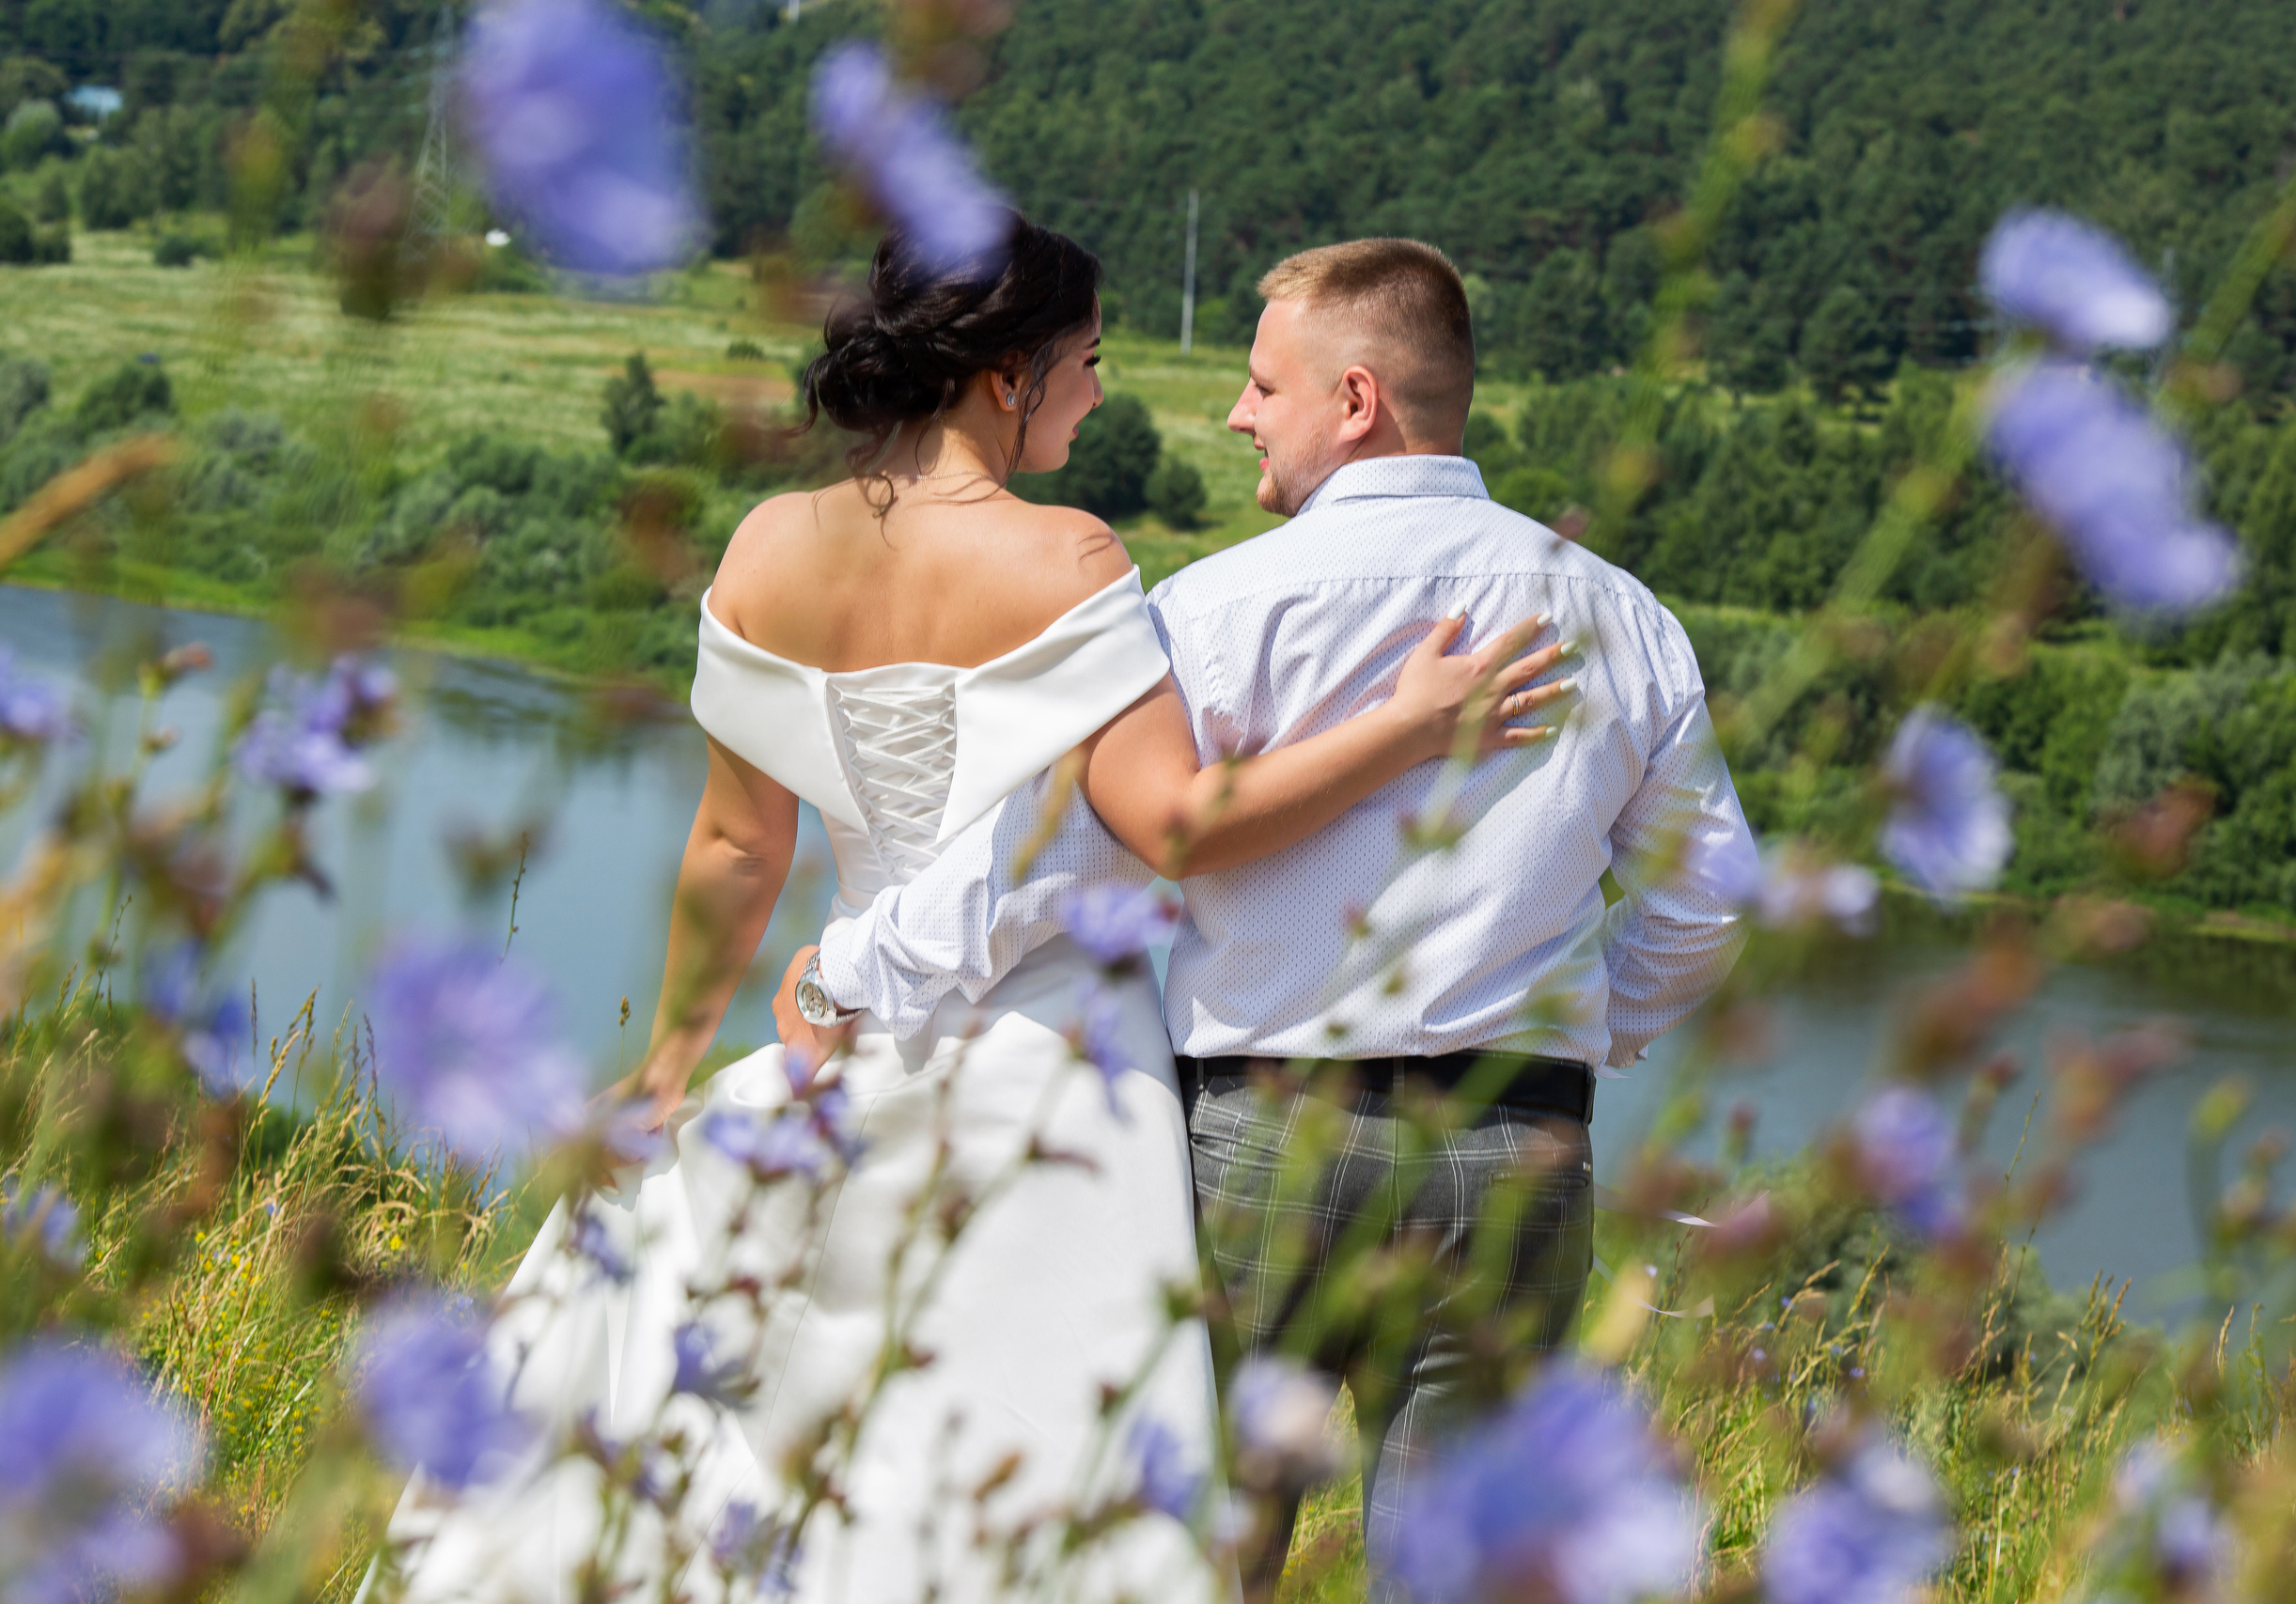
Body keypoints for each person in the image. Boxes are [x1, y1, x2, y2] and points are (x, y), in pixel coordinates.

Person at [366, 217, 1566, 1604]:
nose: (1099, 394)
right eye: (1088, 362)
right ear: (1010, 375)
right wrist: (1409, 727)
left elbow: (737, 844)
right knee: (1031, 1484)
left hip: (844, 1042)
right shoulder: (1068, 559)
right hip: (1053, 1072)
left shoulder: (767, 547)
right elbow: (1179, 827)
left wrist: (670, 1060)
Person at [787, 237, 1755, 1599]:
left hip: (1267, 1150)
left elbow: (1056, 852)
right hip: (1516, 1149)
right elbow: (1708, 901)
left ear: (1355, 401)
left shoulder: (1213, 611)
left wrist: (849, 977)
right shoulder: (1620, 617)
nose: (1240, 413)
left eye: (1262, 385)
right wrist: (1570, 1039)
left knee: (1213, 1559)